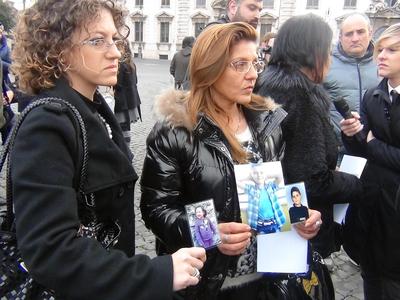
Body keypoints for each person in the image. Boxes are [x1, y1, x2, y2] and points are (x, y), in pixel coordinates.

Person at [9, 0, 206, 299]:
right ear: (57, 49)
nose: (115, 51)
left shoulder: (93, 108)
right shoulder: (48, 123)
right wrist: (156, 274)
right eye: (97, 40)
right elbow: (50, 249)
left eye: (115, 39)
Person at [140, 22, 323, 300]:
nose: (252, 75)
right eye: (239, 64)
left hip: (265, 280)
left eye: (255, 63)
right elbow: (156, 208)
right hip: (205, 284)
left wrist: (299, 216)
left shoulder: (267, 122)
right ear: (209, 68)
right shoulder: (176, 130)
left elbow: (270, 196)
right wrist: (210, 232)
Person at [256, 14, 363, 259]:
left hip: (273, 212)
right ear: (313, 52)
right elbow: (313, 179)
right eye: (327, 49)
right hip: (301, 224)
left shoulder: (267, 84)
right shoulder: (301, 96)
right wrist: (355, 183)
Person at [340, 23, 400, 300]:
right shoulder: (372, 95)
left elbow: (373, 147)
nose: (382, 56)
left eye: (392, 50)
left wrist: (373, 144)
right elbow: (361, 152)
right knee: (371, 273)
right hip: (372, 202)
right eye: (380, 50)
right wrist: (353, 135)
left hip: (396, 207)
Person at [323, 12, 379, 163]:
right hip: (336, 155)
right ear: (340, 37)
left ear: (370, 33)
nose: (355, 38)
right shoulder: (324, 64)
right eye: (349, 34)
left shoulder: (383, 62)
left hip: (376, 152)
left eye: (360, 32)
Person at [114, 42, 141, 146]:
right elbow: (136, 80)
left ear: (124, 50)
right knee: (125, 126)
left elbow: (118, 84)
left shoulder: (121, 64)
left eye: (119, 48)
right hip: (131, 100)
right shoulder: (131, 63)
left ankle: (125, 151)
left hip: (123, 101)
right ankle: (125, 149)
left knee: (123, 127)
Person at [244, 165, 285, 234]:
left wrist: (266, 175)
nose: (259, 175)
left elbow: (280, 176)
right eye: (255, 173)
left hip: (275, 223)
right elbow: (237, 181)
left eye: (261, 172)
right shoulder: (251, 189)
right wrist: (250, 177)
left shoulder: (271, 186)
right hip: (261, 226)